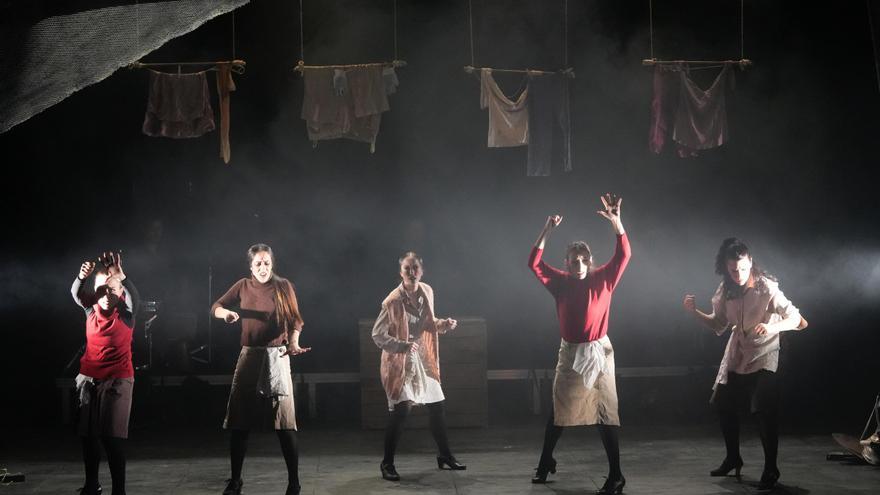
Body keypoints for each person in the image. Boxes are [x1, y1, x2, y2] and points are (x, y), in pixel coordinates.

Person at [528, 194, 631, 495]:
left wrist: (616, 222)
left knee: (605, 412)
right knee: (559, 409)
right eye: (575, 260)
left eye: (584, 259)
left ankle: (616, 475)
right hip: (571, 352)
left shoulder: (604, 279)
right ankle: (545, 461)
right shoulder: (560, 281)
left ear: (590, 260)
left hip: (599, 352)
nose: (580, 264)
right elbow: (534, 263)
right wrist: (547, 230)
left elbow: (624, 254)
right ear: (568, 263)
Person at [683, 237, 806, 490]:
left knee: (763, 408)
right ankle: (733, 458)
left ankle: (771, 468)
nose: (738, 274)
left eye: (742, 268)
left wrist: (771, 327)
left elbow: (797, 319)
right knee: (723, 403)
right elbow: (719, 324)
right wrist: (694, 312)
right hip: (739, 352)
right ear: (726, 268)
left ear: (750, 262)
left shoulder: (766, 288)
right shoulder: (726, 289)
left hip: (767, 352)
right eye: (733, 270)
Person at [212, 244, 310, 495]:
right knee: (239, 422)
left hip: (277, 355)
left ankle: (294, 483)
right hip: (250, 354)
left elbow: (296, 320)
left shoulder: (283, 286)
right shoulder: (243, 285)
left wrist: (294, 343)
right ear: (250, 266)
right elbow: (216, 306)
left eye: (267, 263)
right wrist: (226, 314)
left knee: (285, 424)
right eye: (258, 264)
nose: (263, 268)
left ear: (272, 264)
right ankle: (235, 481)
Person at [372, 251, 465, 481]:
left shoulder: (427, 291)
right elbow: (377, 334)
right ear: (400, 272)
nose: (411, 272)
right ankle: (387, 463)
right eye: (407, 268)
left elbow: (427, 323)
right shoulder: (393, 301)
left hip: (422, 358)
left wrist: (443, 324)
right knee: (402, 409)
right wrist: (402, 346)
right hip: (399, 361)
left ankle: (445, 455)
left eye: (415, 268)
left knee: (437, 406)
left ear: (421, 271)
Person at [71, 252, 140, 495]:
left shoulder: (126, 316)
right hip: (89, 379)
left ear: (120, 293)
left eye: (113, 289)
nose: (107, 294)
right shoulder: (90, 311)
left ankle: (118, 491)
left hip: (117, 381)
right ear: (95, 293)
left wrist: (122, 277)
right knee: (89, 437)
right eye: (102, 289)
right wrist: (81, 277)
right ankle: (92, 484)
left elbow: (134, 298)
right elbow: (76, 294)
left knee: (111, 438)